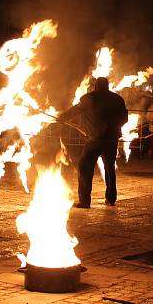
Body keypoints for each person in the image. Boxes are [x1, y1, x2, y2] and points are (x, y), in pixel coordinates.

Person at [62, 77, 128, 208]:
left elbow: (75, 110)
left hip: (95, 140)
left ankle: (84, 201)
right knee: (110, 168)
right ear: (108, 86)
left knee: (84, 167)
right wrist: (112, 128)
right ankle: (111, 199)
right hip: (111, 140)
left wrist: (61, 117)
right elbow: (124, 119)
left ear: (96, 86)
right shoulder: (118, 99)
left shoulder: (89, 98)